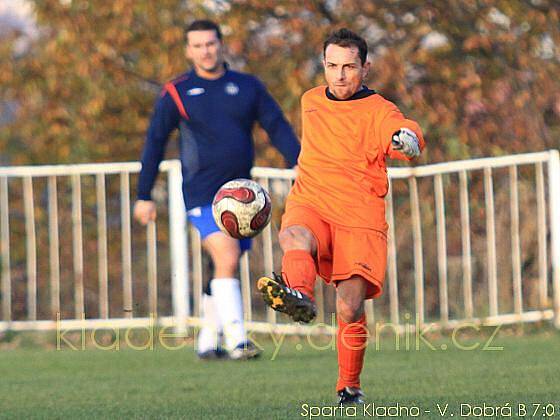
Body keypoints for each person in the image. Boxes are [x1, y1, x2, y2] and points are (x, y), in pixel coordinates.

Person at [257, 28, 425, 402]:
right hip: (313, 200)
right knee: (293, 236)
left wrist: (406, 138)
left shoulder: (379, 109)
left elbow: (401, 129)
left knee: (349, 307)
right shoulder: (310, 100)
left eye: (350, 67)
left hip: (359, 216)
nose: (340, 75)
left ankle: (349, 385)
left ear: (366, 68)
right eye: (332, 66)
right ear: (324, 65)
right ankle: (298, 294)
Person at [134, 19, 300, 360]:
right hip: (201, 194)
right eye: (197, 45)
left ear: (221, 44)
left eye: (210, 44)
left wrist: (298, 162)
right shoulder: (177, 92)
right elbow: (154, 142)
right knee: (225, 257)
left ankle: (208, 340)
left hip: (243, 198)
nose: (205, 51)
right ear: (188, 50)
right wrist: (144, 194)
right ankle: (239, 340)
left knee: (226, 265)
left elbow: (276, 125)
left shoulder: (247, 86)